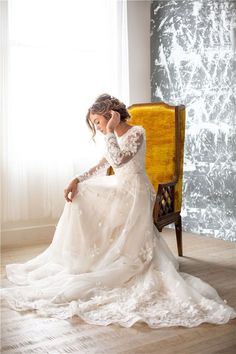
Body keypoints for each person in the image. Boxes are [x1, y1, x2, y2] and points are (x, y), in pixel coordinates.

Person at [1, 94, 236, 328]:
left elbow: (120, 160)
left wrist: (111, 131)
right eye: (95, 124)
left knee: (123, 237)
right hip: (120, 187)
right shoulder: (111, 135)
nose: (98, 128)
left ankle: (115, 257)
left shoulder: (136, 132)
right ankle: (87, 256)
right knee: (82, 192)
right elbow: (103, 164)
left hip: (136, 192)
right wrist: (76, 179)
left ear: (111, 116)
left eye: (98, 122)